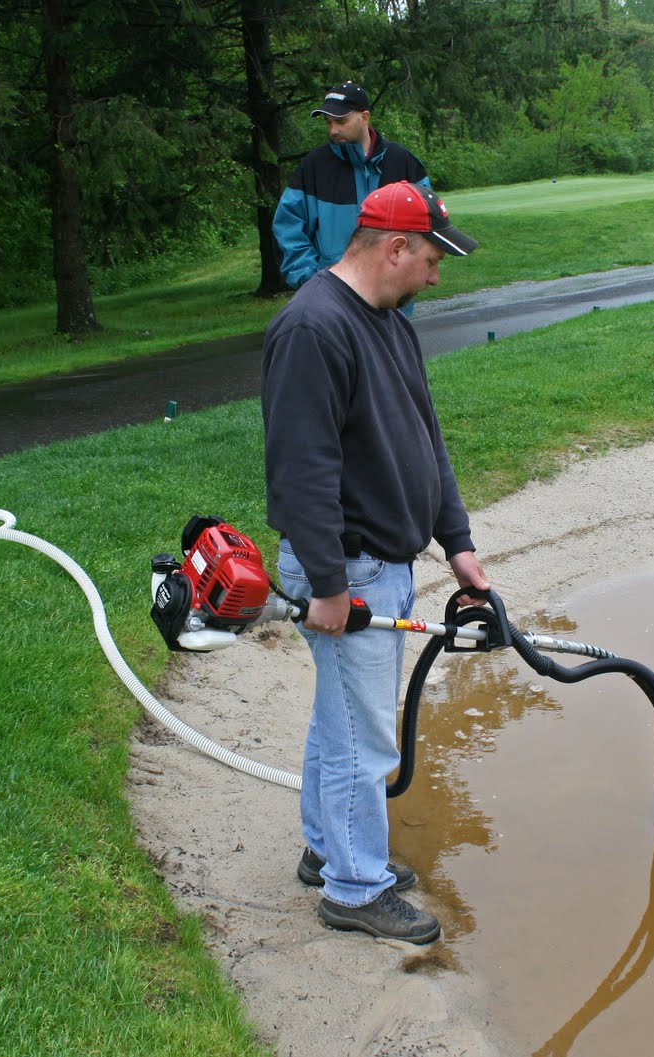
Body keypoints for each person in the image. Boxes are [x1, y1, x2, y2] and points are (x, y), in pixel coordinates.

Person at [260, 181, 489, 944]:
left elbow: (426, 436)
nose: (436, 274)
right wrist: (327, 583)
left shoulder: (389, 322)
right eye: (431, 259)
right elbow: (302, 471)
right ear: (395, 247)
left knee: (342, 723)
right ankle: (355, 887)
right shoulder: (313, 329)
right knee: (363, 740)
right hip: (348, 571)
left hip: (378, 564)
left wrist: (458, 543)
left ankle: (327, 849)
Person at [272, 81, 433, 292]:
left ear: (364, 117)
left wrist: (408, 276)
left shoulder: (403, 162)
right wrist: (312, 280)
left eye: (341, 121)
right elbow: (287, 228)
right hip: (332, 295)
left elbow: (427, 225)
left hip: (393, 295)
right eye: (329, 122)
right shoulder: (314, 166)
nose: (333, 130)